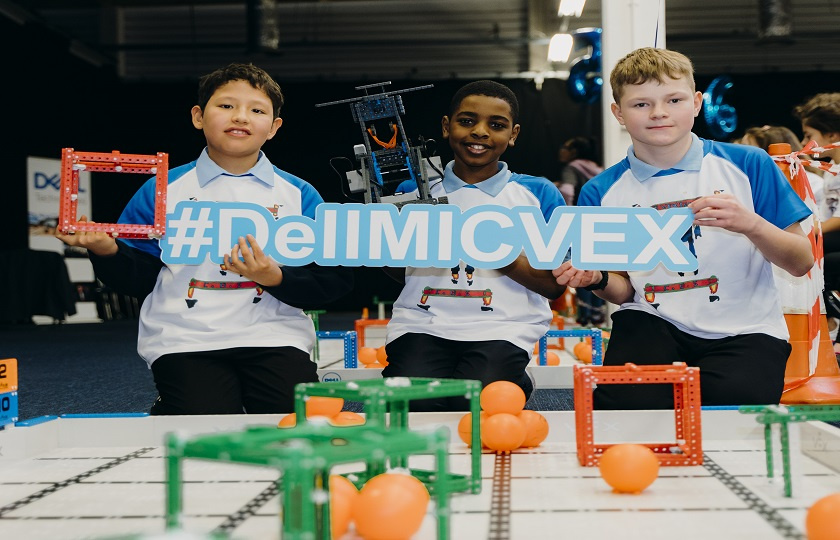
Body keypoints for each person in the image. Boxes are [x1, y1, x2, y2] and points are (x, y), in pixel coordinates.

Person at [57, 63, 353, 415]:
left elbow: (333, 280)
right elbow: (140, 279)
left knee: (294, 424)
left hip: (274, 335)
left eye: (257, 110)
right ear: (198, 116)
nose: (241, 117)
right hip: (185, 336)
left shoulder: (299, 193)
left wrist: (275, 277)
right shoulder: (164, 189)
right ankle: (173, 404)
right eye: (226, 106)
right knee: (204, 425)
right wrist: (108, 252)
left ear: (274, 128)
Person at [552, 47, 814, 409]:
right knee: (626, 410)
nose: (659, 113)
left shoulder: (748, 164)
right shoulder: (601, 189)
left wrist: (751, 224)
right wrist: (595, 279)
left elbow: (801, 262)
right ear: (619, 113)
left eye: (673, 100)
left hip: (744, 330)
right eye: (641, 104)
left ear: (696, 103)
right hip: (650, 323)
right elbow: (624, 292)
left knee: (735, 415)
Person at [382, 80, 567, 411]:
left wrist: (497, 254)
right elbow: (401, 273)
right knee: (413, 406)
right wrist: (384, 243)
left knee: (479, 404)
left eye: (496, 125)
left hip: (503, 327)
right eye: (467, 121)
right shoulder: (414, 190)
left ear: (513, 134)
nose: (480, 132)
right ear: (446, 126)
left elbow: (555, 286)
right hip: (421, 323)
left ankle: (516, 379)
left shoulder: (537, 193)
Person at [793, 94, 840, 329]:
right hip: (833, 238)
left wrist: (808, 232)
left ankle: (828, 320)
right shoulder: (832, 172)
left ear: (831, 135)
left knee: (808, 255)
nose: (804, 142)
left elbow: (838, 220)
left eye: (809, 136)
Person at [556, 136, 606, 326]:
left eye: (566, 147)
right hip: (600, 224)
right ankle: (597, 315)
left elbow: (568, 191)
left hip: (579, 223)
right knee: (598, 269)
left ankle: (584, 316)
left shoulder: (572, 168)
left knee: (580, 268)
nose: (562, 151)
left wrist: (564, 211)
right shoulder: (598, 168)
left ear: (574, 152)